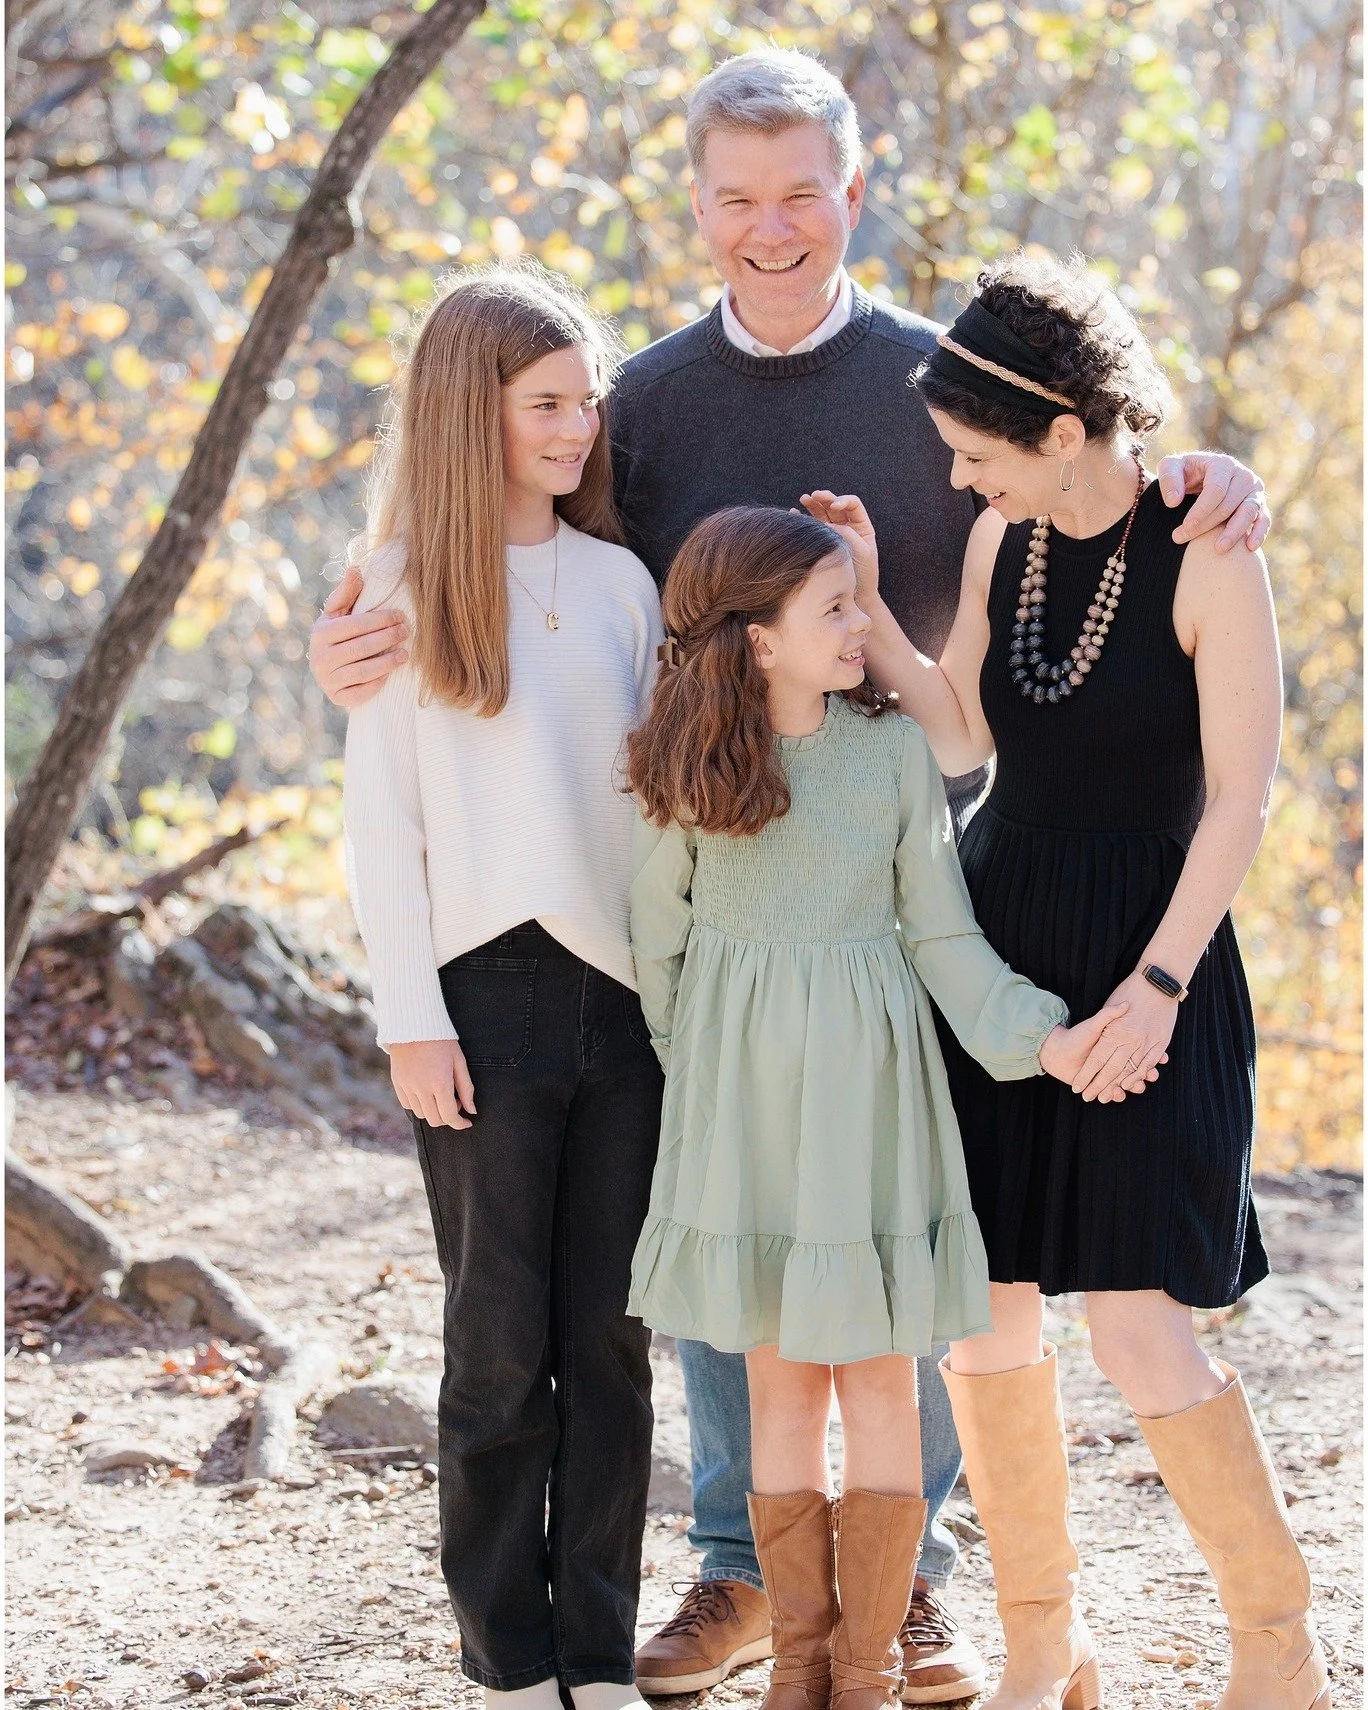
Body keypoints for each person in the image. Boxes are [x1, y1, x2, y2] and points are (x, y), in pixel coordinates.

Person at [310, 49, 1274, 1707]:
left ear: (853, 185)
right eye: (733, 199)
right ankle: (741, 1570)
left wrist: (1210, 471)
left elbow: (1078, 469)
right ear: (695, 207)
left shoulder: (932, 377)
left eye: (799, 193)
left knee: (912, 1260)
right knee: (731, 1255)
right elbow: (525, 574)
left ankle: (915, 1593)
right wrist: (352, 637)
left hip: (902, 864)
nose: (768, 229)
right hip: (704, 883)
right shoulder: (649, 401)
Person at [808, 251, 1329, 1710]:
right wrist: (869, 612)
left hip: (1155, 949)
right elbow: (964, 731)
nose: (966, 487)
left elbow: (1243, 797)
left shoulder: (1211, 551)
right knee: (986, 1306)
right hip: (1002, 935)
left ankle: (1275, 1648)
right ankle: (1047, 1636)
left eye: (981, 456)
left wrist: (1155, 988)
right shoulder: (1001, 549)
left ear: (1061, 431)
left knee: (1138, 1318)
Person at [623, 504, 1145, 1710]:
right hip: (744, 1111)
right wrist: (699, 1064)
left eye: (858, 599)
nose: (866, 625)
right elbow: (660, 938)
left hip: (872, 1104)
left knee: (876, 1376)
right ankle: (799, 1666)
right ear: (758, 639)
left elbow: (942, 931)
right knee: (777, 1385)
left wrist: (1042, 1037)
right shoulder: (686, 766)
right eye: (838, 608)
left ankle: (864, 1668)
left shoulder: (892, 755)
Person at [343, 263, 666, 1710]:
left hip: (628, 1006)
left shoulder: (621, 582)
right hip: (476, 1010)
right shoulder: (399, 593)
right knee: (495, 1346)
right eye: (547, 403)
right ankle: (506, 1657)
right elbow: (382, 829)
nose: (579, 425)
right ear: (469, 414)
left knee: (610, 1340)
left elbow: (661, 808)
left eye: (583, 399)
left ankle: (597, 1649)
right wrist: (409, 1015)